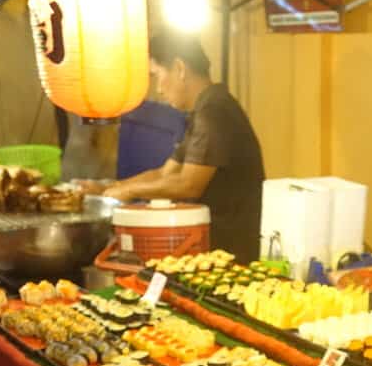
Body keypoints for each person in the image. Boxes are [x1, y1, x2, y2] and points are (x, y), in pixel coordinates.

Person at [94, 34, 265, 264]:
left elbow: (188, 184)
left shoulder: (214, 111)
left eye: (157, 76)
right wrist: (115, 187)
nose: (158, 90)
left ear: (179, 68)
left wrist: (131, 192)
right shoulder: (204, 108)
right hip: (214, 247)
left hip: (232, 252)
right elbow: (166, 173)